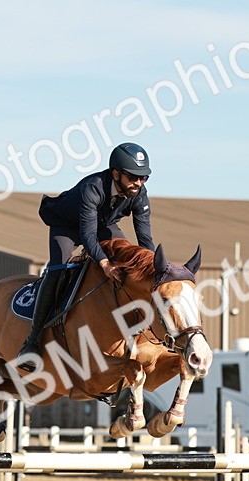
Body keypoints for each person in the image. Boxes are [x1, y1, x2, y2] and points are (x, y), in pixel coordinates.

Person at [18, 142, 155, 359]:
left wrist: (154, 268)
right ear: (116, 174)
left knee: (127, 257)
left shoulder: (139, 193)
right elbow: (87, 235)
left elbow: (145, 238)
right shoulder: (94, 187)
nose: (138, 183)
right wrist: (104, 264)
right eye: (133, 177)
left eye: (144, 177)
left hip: (103, 224)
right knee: (58, 270)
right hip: (67, 225)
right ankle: (32, 340)